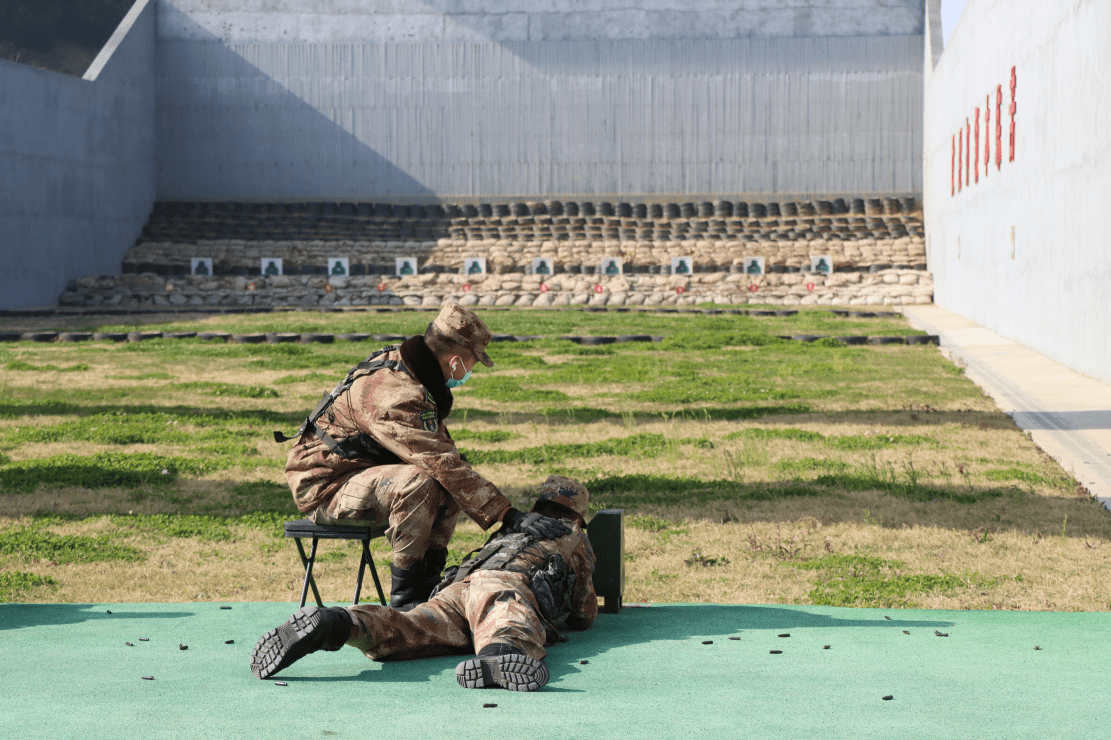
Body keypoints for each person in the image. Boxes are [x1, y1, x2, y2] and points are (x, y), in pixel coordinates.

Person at [280, 303, 570, 611]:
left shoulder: (414, 372)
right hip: (325, 486)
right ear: (456, 360)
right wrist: (510, 517)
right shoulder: (395, 394)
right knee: (420, 480)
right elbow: (438, 463)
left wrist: (502, 514)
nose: (470, 373)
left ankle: (430, 585)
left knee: (449, 480)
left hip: (359, 474)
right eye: (473, 364)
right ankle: (406, 599)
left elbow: (447, 461)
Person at [250, 476, 597, 692]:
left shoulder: (512, 527)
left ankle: (340, 623)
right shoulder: (573, 536)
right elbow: (583, 612)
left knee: (410, 626)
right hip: (502, 585)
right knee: (505, 618)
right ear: (578, 513)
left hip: (457, 589)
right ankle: (500, 656)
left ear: (539, 504)